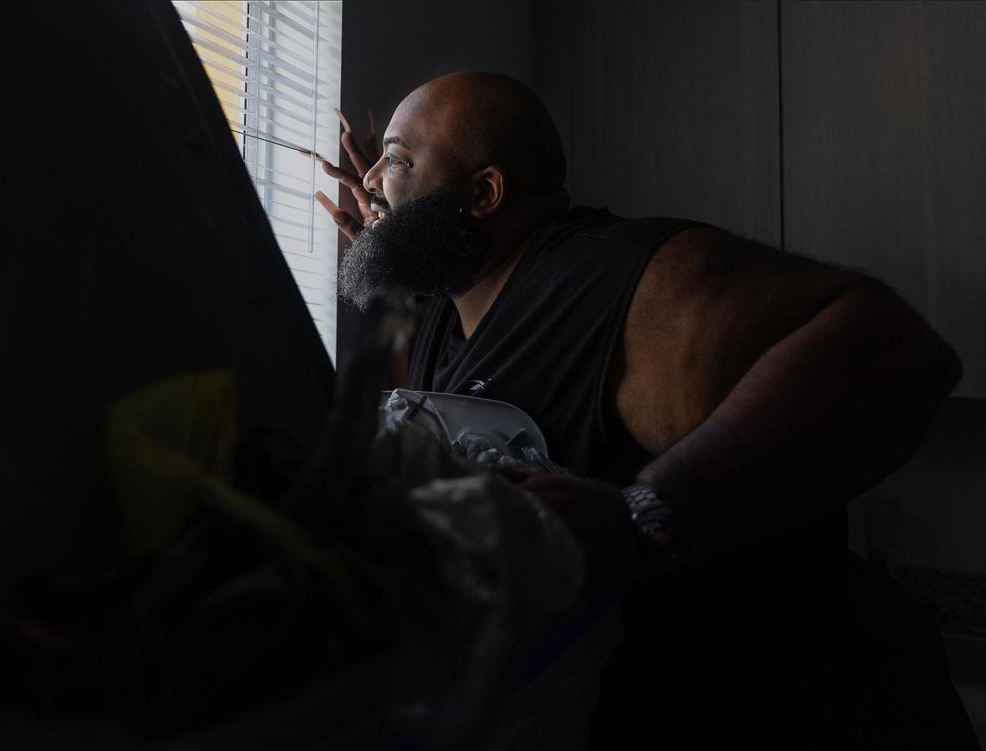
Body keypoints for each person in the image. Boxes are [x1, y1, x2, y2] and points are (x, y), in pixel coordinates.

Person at [316, 72, 976, 748]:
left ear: (483, 193)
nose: (369, 180)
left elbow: (899, 349)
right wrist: (396, 237)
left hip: (807, 713)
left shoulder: (619, 279)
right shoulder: (448, 307)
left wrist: (648, 513)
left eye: (396, 160)